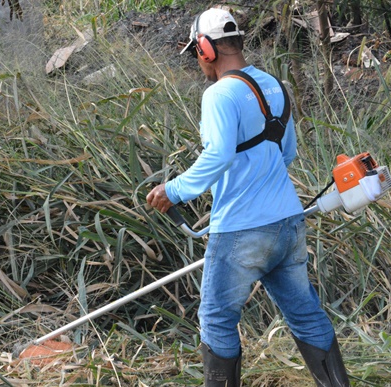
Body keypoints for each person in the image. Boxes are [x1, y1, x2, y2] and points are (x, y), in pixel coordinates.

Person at [146, 7, 351, 387]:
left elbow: (219, 155)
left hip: (242, 229)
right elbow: (286, 153)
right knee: (305, 313)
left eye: (196, 54)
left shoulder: (219, 93)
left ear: (206, 49)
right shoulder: (274, 86)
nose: (199, 63)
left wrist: (173, 190)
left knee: (217, 320)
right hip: (288, 223)